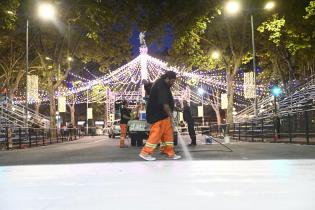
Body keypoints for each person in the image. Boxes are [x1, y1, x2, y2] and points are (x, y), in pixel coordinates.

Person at [139, 71, 181, 161]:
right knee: (156, 134)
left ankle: (169, 152)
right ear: (167, 78)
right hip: (158, 115)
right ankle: (145, 153)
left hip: (163, 115)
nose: (173, 83)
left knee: (168, 134)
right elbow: (164, 104)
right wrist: (171, 116)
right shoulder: (162, 86)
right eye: (172, 81)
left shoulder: (162, 84)